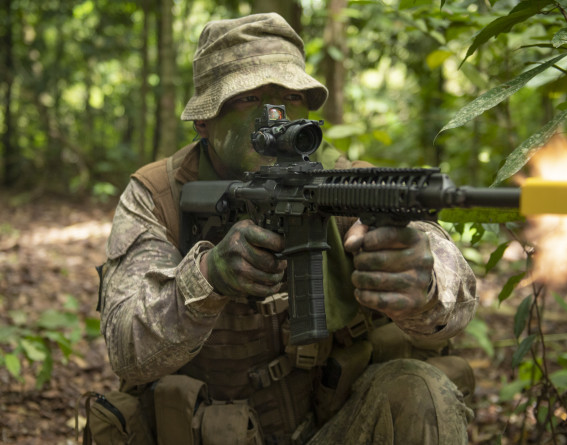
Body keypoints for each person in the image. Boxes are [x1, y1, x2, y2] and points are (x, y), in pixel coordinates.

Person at [94, 12, 477, 445]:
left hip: (334, 427)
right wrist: (208, 277)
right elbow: (128, 352)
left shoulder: (350, 185)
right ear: (204, 119)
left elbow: (457, 299)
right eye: (248, 97)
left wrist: (423, 282)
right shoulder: (158, 195)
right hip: (209, 431)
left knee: (417, 390)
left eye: (291, 96)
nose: (273, 115)